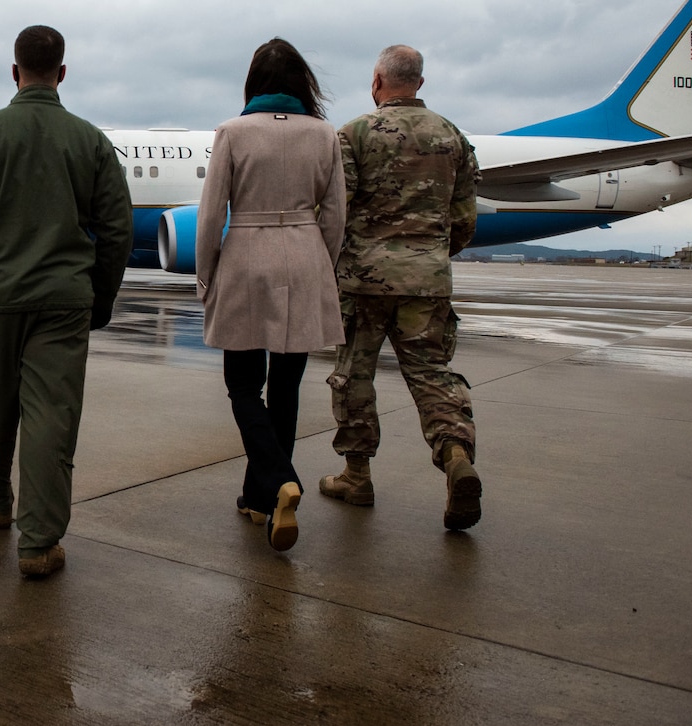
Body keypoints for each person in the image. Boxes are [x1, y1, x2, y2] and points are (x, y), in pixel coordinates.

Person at [0, 25, 133, 577]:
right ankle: (39, 544)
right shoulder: (90, 140)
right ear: (62, 72)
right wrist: (102, 296)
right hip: (64, 302)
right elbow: (117, 228)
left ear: (14, 71)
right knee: (51, 419)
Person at [320, 45, 482, 530]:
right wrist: (429, 258)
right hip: (427, 281)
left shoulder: (353, 134)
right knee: (432, 373)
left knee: (354, 376)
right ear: (420, 84)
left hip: (363, 281)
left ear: (376, 82)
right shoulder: (452, 137)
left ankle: (356, 475)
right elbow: (464, 219)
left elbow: (335, 209)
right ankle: (455, 455)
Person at [195, 38, 345, 552]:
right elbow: (336, 215)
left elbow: (212, 214)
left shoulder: (233, 132)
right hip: (305, 254)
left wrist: (205, 274)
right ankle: (260, 498)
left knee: (241, 384)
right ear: (303, 81)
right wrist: (317, 263)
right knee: (286, 386)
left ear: (253, 82)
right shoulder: (324, 134)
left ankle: (280, 479)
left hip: (246, 259)